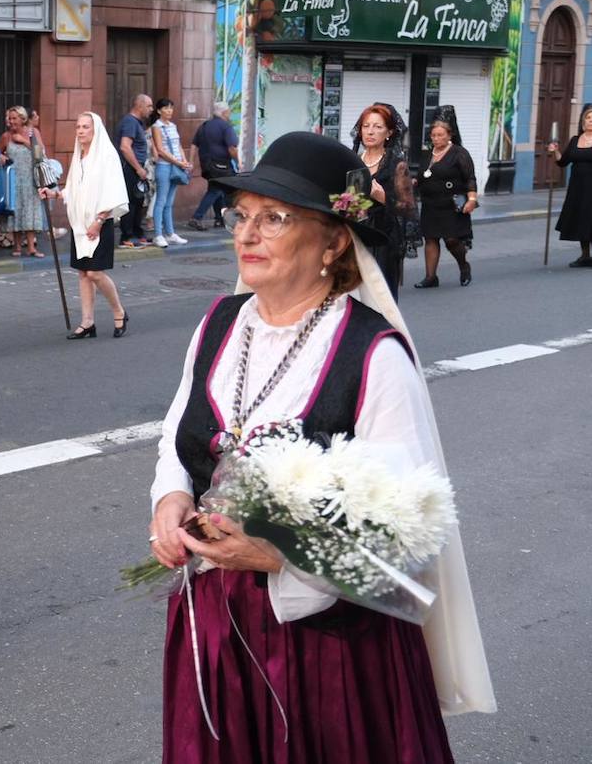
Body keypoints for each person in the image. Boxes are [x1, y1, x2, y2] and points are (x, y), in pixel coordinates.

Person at [150, 131, 495, 761]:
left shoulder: (374, 354)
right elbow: (184, 432)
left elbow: (406, 538)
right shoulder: (220, 323)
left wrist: (283, 554)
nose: (247, 235)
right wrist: (170, 499)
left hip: (329, 648)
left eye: (275, 218)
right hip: (218, 625)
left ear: (335, 240)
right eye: (243, 215)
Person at [39, 112, 129, 340]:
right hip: (80, 224)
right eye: (78, 127)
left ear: (95, 129)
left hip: (99, 222)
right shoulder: (79, 156)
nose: (80, 131)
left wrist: (98, 222)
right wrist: (53, 193)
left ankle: (119, 311)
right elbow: (74, 189)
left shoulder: (107, 155)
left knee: (95, 273)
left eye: (85, 127)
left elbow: (113, 191)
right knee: (83, 273)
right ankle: (87, 322)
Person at [351, 102, 418, 297]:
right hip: (355, 237)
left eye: (377, 127)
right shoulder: (353, 160)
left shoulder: (397, 166)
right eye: (366, 126)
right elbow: (345, 204)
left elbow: (408, 210)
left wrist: (382, 197)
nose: (370, 131)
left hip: (383, 240)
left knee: (379, 299)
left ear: (388, 133)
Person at [413, 106, 477, 288]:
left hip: (452, 204)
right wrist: (412, 182)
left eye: (440, 135)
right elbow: (422, 174)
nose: (436, 139)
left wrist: (472, 199)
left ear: (450, 135)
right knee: (431, 238)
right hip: (430, 204)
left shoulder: (459, 153)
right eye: (433, 135)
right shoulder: (427, 154)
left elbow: (470, 178)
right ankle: (431, 277)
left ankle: (464, 266)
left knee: (451, 240)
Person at [547, 103, 592, 267]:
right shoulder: (575, 140)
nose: (591, 121)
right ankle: (585, 255)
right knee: (581, 219)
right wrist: (555, 151)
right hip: (578, 188)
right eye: (588, 118)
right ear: (582, 121)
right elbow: (563, 162)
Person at [0, 105, 45, 258]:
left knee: (30, 211)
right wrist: (1, 157)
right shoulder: (6, 136)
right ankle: (17, 247)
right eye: (10, 118)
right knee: (16, 212)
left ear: (23, 119)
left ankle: (31, 247)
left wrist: (24, 141)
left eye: (14, 118)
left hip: (30, 178)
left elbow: (41, 154)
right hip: (13, 180)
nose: (11, 121)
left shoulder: (33, 133)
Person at [187, 102, 239, 231]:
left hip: (207, 164)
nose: (229, 114)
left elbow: (194, 144)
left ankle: (219, 219)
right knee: (218, 190)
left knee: (217, 188)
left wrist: (191, 162)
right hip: (221, 164)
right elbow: (232, 148)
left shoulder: (204, 126)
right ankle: (197, 217)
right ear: (224, 112)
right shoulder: (226, 127)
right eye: (228, 112)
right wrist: (238, 162)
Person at [148, 98, 191, 248]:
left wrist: (184, 162)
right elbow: (160, 150)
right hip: (165, 166)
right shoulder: (156, 127)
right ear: (159, 111)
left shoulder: (173, 126)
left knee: (169, 202)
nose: (169, 111)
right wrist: (179, 162)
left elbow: (178, 145)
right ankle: (158, 234)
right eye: (166, 108)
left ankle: (170, 233)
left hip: (176, 166)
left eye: (171, 108)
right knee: (161, 201)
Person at [115, 95, 153, 248]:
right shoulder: (130, 122)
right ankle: (126, 237)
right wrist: (138, 168)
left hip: (137, 169)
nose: (151, 109)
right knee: (131, 201)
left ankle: (137, 232)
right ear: (140, 106)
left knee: (138, 201)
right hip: (130, 169)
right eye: (149, 106)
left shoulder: (136, 123)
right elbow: (125, 146)